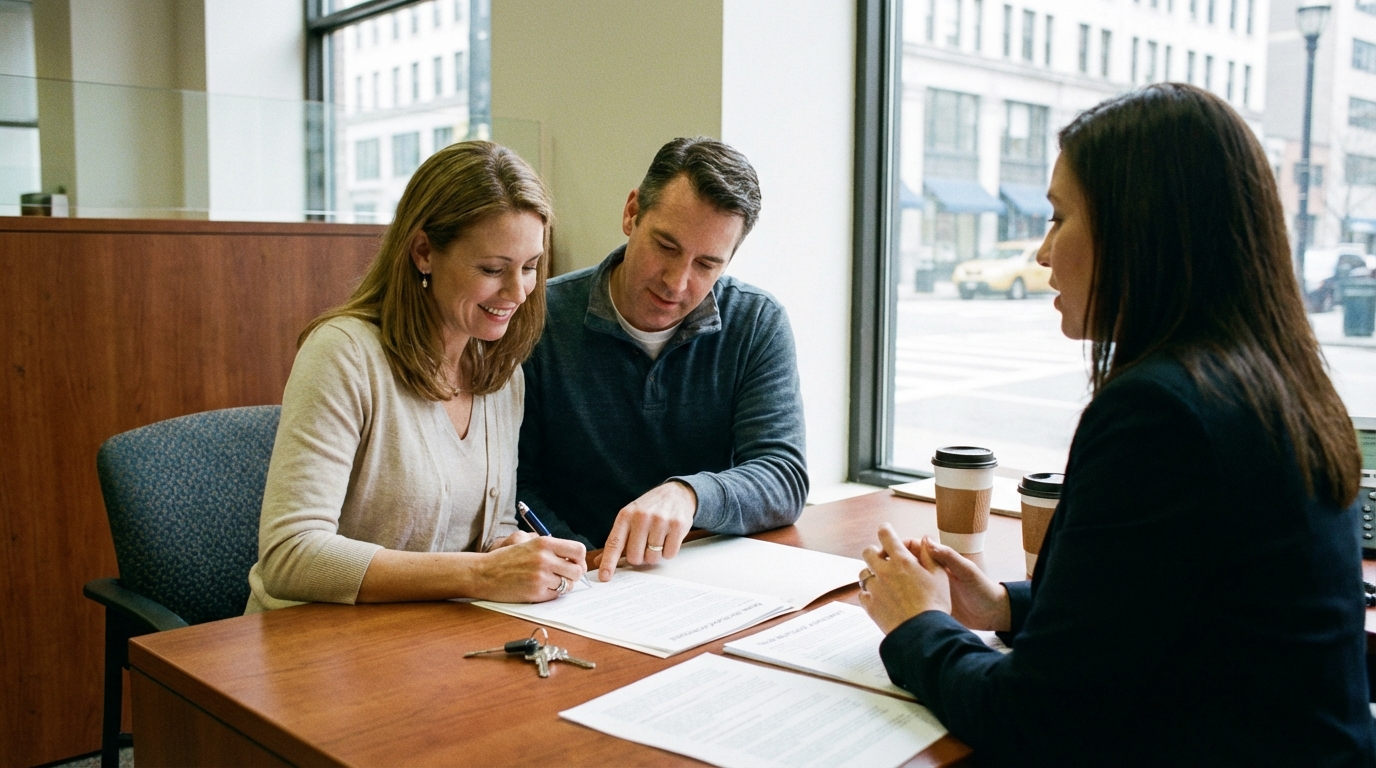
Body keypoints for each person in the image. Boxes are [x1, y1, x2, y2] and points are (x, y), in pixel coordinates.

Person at [858, 84, 1376, 766]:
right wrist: (1006, 606)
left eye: (1058, 218)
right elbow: (1169, 601)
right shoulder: (1273, 380)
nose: (1043, 253)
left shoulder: (1161, 413)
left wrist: (915, 624)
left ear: (1138, 230)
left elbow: (1034, 718)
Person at [246, 141, 587, 613]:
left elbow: (490, 531)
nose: (517, 291)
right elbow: (290, 555)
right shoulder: (343, 355)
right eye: (493, 269)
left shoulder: (501, 373)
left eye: (529, 268)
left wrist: (509, 552)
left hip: (432, 632)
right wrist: (481, 573)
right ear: (424, 252)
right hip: (317, 639)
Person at [517, 137, 808, 582]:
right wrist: (583, 560)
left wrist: (690, 494)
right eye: (667, 247)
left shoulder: (756, 322)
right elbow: (516, 485)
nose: (677, 282)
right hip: (577, 580)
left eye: (706, 264)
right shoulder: (539, 318)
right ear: (632, 212)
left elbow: (783, 478)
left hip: (704, 577)